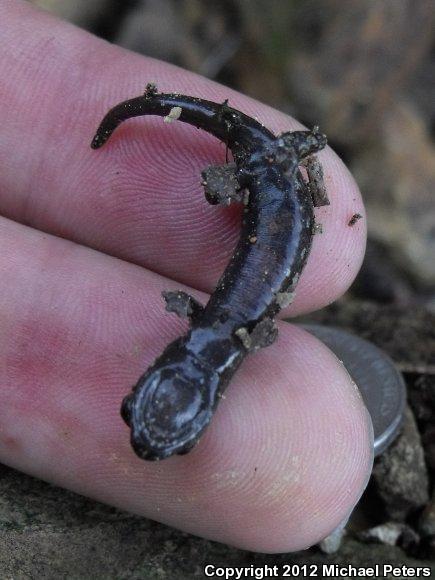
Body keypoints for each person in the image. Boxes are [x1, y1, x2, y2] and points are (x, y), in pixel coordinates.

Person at [0, 0, 373, 552]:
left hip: (264, 173)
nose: (140, 433)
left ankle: (299, 147)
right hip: (265, 175)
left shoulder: (235, 338)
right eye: (184, 438)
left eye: (131, 404)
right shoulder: (215, 329)